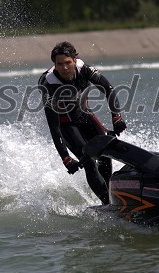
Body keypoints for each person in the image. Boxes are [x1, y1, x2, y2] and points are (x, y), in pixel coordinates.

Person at [38, 41, 127, 204]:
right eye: (59, 64)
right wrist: (65, 158)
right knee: (89, 162)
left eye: (67, 63)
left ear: (74, 60)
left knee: (105, 153)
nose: (64, 68)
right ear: (55, 65)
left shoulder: (85, 70)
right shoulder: (48, 87)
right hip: (66, 126)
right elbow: (54, 126)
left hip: (85, 116)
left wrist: (117, 117)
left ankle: (112, 195)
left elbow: (109, 89)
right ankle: (107, 203)